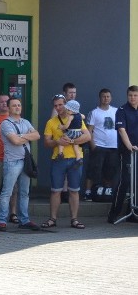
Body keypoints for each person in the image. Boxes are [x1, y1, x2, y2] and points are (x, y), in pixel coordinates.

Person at [41, 95, 91, 229]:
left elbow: (87, 136)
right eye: (55, 105)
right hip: (58, 159)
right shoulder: (51, 122)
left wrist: (73, 141)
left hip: (75, 159)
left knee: (74, 190)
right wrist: (58, 142)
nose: (58, 108)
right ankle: (52, 219)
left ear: (66, 105)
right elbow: (46, 143)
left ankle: (74, 219)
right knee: (55, 191)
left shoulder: (77, 118)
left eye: (60, 105)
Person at [0, 97, 41, 231]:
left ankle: (24, 220)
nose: (17, 107)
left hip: (25, 161)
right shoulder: (5, 123)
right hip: (12, 162)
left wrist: (20, 136)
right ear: (9, 108)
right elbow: (14, 141)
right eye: (14, 105)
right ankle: (2, 220)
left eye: (19, 105)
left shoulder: (25, 122)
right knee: (7, 192)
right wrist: (27, 136)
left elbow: (37, 135)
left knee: (24, 192)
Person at [108, 86, 138, 223]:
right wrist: (130, 146)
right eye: (131, 95)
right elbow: (121, 130)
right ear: (127, 96)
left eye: (135, 95)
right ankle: (114, 213)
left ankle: (132, 213)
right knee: (125, 181)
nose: (133, 98)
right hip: (127, 151)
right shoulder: (122, 110)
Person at [83, 88, 119, 201]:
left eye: (108, 96)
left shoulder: (116, 111)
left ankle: (106, 193)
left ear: (111, 98)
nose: (106, 98)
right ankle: (88, 192)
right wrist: (93, 145)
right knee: (93, 169)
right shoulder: (94, 112)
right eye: (103, 96)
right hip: (98, 146)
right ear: (100, 98)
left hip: (113, 147)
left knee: (110, 170)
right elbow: (89, 130)